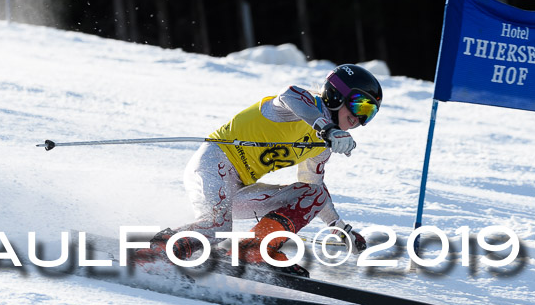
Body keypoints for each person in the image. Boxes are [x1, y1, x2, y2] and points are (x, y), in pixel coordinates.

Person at [138, 64, 382, 277]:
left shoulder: (321, 146)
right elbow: (290, 94)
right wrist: (327, 128)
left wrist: (340, 228)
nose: (359, 119)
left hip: (239, 189)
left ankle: (249, 251)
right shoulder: (301, 105)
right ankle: (159, 250)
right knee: (219, 227)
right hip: (214, 166)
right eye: (359, 105)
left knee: (313, 195)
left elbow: (313, 187)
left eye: (368, 114)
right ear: (336, 94)